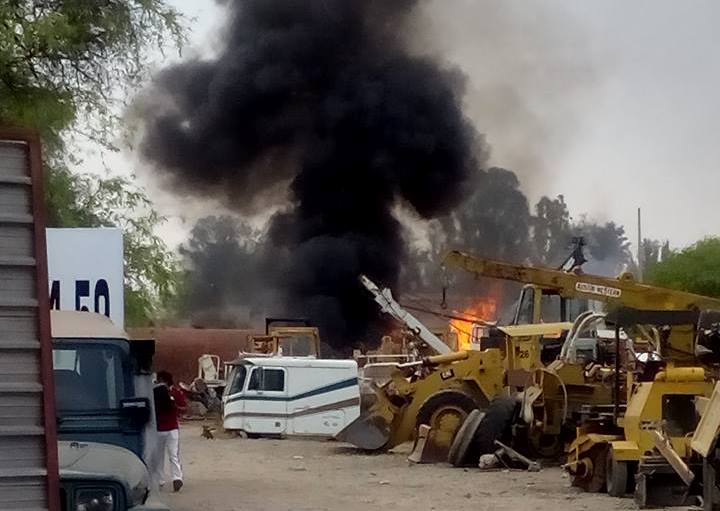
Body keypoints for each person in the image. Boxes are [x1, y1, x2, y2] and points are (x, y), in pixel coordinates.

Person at [151, 370, 187, 492]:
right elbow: (183, 408)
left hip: (163, 428)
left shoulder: (157, 392)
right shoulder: (170, 392)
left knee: (165, 455)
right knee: (169, 455)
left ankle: (168, 479)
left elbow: (183, 407)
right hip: (168, 428)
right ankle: (171, 478)